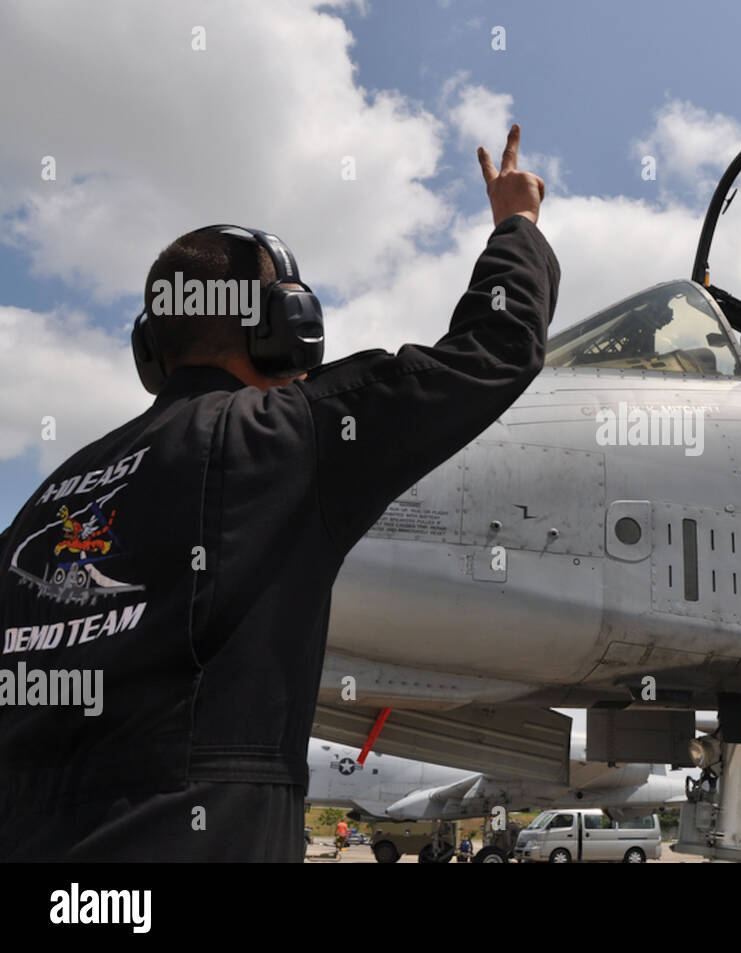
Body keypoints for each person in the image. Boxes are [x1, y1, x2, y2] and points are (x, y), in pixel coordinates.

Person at [0, 125, 558, 862]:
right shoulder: (284, 437)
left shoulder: (45, 502)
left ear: (151, 349)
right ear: (284, 329)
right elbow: (494, 348)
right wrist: (516, 226)